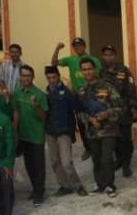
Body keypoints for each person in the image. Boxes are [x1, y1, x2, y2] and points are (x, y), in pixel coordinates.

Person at [77, 57, 123, 197]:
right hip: (92, 131)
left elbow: (120, 107)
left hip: (109, 129)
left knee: (107, 158)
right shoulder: (82, 91)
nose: (87, 72)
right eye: (84, 70)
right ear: (81, 72)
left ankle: (110, 185)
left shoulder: (107, 86)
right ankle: (100, 185)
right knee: (96, 158)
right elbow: (79, 112)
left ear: (94, 69)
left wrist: (106, 114)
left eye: (90, 69)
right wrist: (90, 119)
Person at [52, 37, 103, 159]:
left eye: (80, 45)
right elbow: (54, 63)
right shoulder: (71, 60)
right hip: (77, 95)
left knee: (97, 119)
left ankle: (101, 146)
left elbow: (101, 75)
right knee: (81, 122)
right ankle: (88, 148)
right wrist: (57, 48)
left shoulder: (94, 60)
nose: (78, 48)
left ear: (84, 46)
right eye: (75, 46)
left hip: (92, 94)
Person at [44, 66, 87, 197]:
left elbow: (76, 109)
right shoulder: (45, 94)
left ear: (58, 76)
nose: (52, 80)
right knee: (54, 161)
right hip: (50, 132)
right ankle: (65, 186)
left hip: (64, 132)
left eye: (54, 77)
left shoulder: (67, 92)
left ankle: (78, 185)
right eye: (49, 78)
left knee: (66, 162)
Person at [99, 45, 137, 178]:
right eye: (105, 55)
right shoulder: (101, 72)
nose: (108, 57)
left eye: (110, 54)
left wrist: (133, 107)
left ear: (115, 56)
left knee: (125, 139)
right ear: (103, 57)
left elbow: (131, 89)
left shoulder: (124, 71)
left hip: (124, 110)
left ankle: (126, 164)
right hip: (110, 113)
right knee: (114, 138)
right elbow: (101, 91)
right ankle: (119, 160)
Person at [11, 65, 48, 207]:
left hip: (37, 135)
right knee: (29, 165)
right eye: (23, 75)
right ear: (20, 77)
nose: (26, 78)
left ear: (32, 77)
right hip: (23, 135)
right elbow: (16, 113)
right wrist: (15, 131)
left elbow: (44, 117)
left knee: (39, 166)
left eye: (28, 75)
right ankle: (35, 188)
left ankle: (40, 193)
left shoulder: (39, 94)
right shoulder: (17, 93)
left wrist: (37, 105)